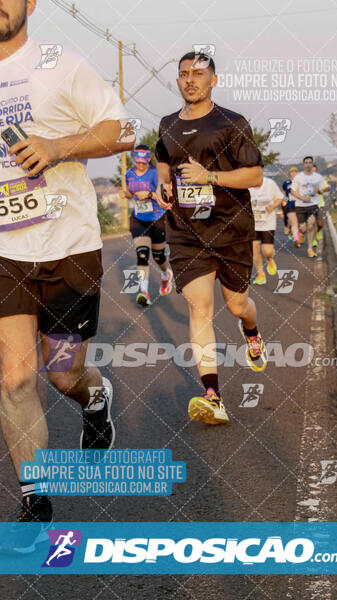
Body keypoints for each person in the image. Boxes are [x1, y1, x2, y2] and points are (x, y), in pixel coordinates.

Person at [0, 0, 133, 547]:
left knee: (62, 374)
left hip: (68, 246)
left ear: (29, 2)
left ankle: (95, 398)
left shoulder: (61, 64)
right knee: (14, 378)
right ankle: (35, 495)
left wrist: (57, 146)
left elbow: (122, 128)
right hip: (6, 250)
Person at [155, 51, 267, 425]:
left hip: (230, 227)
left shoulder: (232, 123)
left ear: (213, 81)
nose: (190, 79)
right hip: (187, 232)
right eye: (184, 74)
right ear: (178, 81)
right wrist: (162, 185)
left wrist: (211, 178)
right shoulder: (167, 124)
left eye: (198, 73)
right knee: (199, 308)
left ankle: (251, 331)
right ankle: (212, 396)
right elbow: (162, 157)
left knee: (237, 306)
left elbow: (254, 177)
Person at [119, 144, 173, 306]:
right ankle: (144, 292)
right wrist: (126, 194)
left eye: (144, 161)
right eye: (138, 161)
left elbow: (163, 197)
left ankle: (165, 275)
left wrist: (149, 194)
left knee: (158, 256)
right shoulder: (129, 174)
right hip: (139, 219)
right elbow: (131, 193)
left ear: (149, 159)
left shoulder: (155, 174)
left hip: (157, 218)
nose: (141, 164)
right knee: (142, 254)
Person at [291, 156, 330, 257]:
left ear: (312, 164)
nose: (308, 164)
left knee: (312, 224)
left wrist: (323, 190)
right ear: (303, 165)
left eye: (310, 162)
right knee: (303, 227)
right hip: (300, 205)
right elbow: (293, 191)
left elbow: (322, 191)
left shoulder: (318, 177)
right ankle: (300, 234)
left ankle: (310, 249)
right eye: (306, 163)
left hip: (313, 204)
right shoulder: (298, 177)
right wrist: (302, 198)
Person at [250, 176, 284, 285]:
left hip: (268, 222)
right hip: (253, 223)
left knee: (267, 251)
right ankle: (261, 274)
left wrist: (273, 206)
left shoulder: (270, 183)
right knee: (254, 249)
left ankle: (269, 259)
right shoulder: (246, 185)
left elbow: (280, 197)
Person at [312, 163, 329, 249]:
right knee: (312, 224)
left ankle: (319, 231)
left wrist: (321, 190)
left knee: (320, 223)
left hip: (319, 204)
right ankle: (313, 240)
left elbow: (327, 188)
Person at [281, 167, 300, 243]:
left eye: (295, 172)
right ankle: (296, 239)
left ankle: (294, 233)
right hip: (290, 204)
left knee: (299, 222)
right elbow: (284, 193)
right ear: (290, 173)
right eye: (292, 172)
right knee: (294, 221)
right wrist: (284, 201)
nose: (294, 174)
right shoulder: (286, 183)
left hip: (299, 204)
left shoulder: (300, 183)